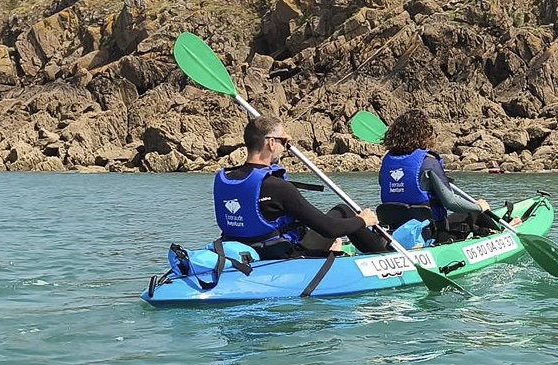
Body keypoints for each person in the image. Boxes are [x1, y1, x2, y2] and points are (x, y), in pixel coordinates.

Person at [214, 115, 389, 258]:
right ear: (271, 143)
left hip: (244, 252)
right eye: (285, 142)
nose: (286, 147)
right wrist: (363, 220)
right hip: (283, 254)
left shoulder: (225, 179)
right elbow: (329, 228)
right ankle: (386, 258)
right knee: (344, 211)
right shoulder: (278, 187)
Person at [377, 109, 500, 241]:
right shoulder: (429, 162)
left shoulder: (387, 162)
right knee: (474, 214)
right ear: (424, 135)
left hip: (397, 233)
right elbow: (451, 202)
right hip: (432, 235)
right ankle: (503, 233)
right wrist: (479, 207)